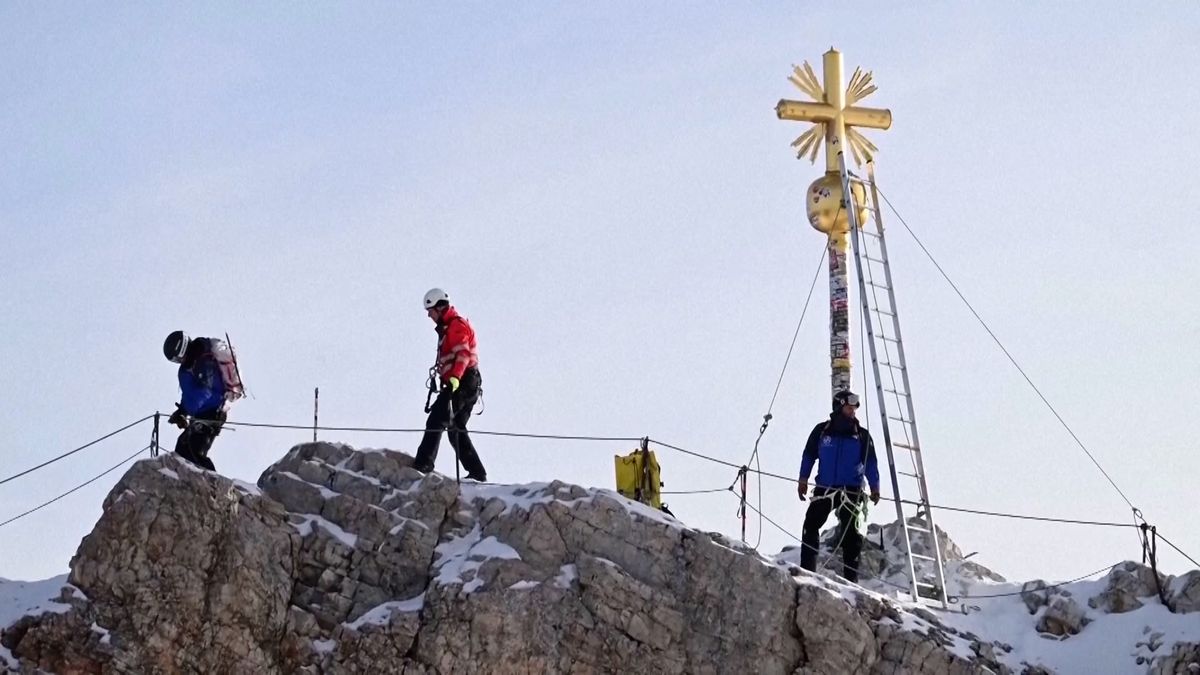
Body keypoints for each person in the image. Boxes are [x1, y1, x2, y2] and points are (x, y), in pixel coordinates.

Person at [797, 390, 881, 582]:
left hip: (851, 491)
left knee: (852, 536)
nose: (852, 412)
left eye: (854, 409)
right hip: (825, 489)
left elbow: (871, 463)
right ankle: (807, 571)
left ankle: (851, 582)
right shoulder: (822, 431)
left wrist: (875, 487)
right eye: (849, 408)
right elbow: (809, 455)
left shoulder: (861, 435)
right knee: (810, 525)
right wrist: (803, 479)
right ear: (839, 407)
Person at [412, 289, 487, 481]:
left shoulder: (455, 326)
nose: (429, 315)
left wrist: (454, 378)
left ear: (439, 307)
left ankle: (423, 463)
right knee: (455, 429)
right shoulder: (449, 327)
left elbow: (463, 354)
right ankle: (478, 474)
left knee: (437, 419)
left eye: (430, 310)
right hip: (466, 382)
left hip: (462, 381)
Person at [163, 331, 231, 471]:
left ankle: (214, 486)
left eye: (177, 358)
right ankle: (191, 484)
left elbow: (204, 391)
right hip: (202, 414)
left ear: (181, 351)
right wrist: (182, 410)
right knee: (183, 448)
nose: (178, 361)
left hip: (213, 412)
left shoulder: (203, 360)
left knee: (195, 451)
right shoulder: (189, 366)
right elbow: (189, 392)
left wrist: (186, 410)